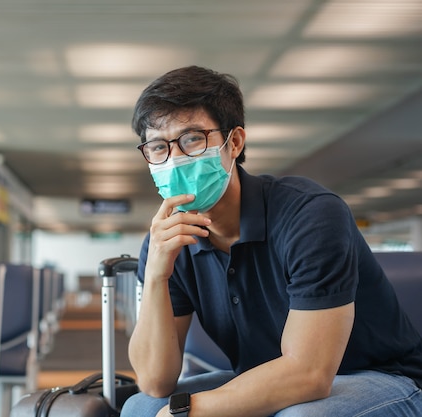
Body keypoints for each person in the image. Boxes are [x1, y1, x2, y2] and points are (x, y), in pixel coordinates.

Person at [121, 65, 422, 417]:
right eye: (158, 147)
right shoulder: (167, 240)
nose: (174, 159)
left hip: (379, 379)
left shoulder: (310, 215)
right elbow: (156, 382)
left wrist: (187, 412)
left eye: (191, 139)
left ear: (233, 142)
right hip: (265, 374)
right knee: (140, 407)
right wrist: (157, 276)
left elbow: (309, 374)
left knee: (299, 416)